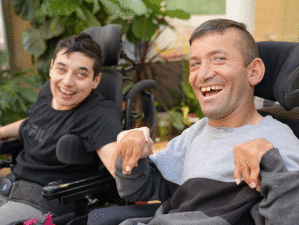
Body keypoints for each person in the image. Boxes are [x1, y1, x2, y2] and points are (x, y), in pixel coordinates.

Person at [110, 19, 299, 224]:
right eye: (195, 64)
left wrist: (268, 158)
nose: (203, 74)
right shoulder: (196, 133)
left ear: (254, 72)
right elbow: (136, 190)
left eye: (218, 59)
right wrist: (133, 154)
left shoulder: (277, 141)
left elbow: (288, 218)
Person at [0, 33, 123, 224]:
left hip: (47, 202)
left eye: (81, 74)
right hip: (10, 185)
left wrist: (134, 147)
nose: (67, 82)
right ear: (51, 68)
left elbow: (119, 167)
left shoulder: (99, 114)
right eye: (61, 69)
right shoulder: (47, 92)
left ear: (96, 80)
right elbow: (32, 123)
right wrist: (1, 132)